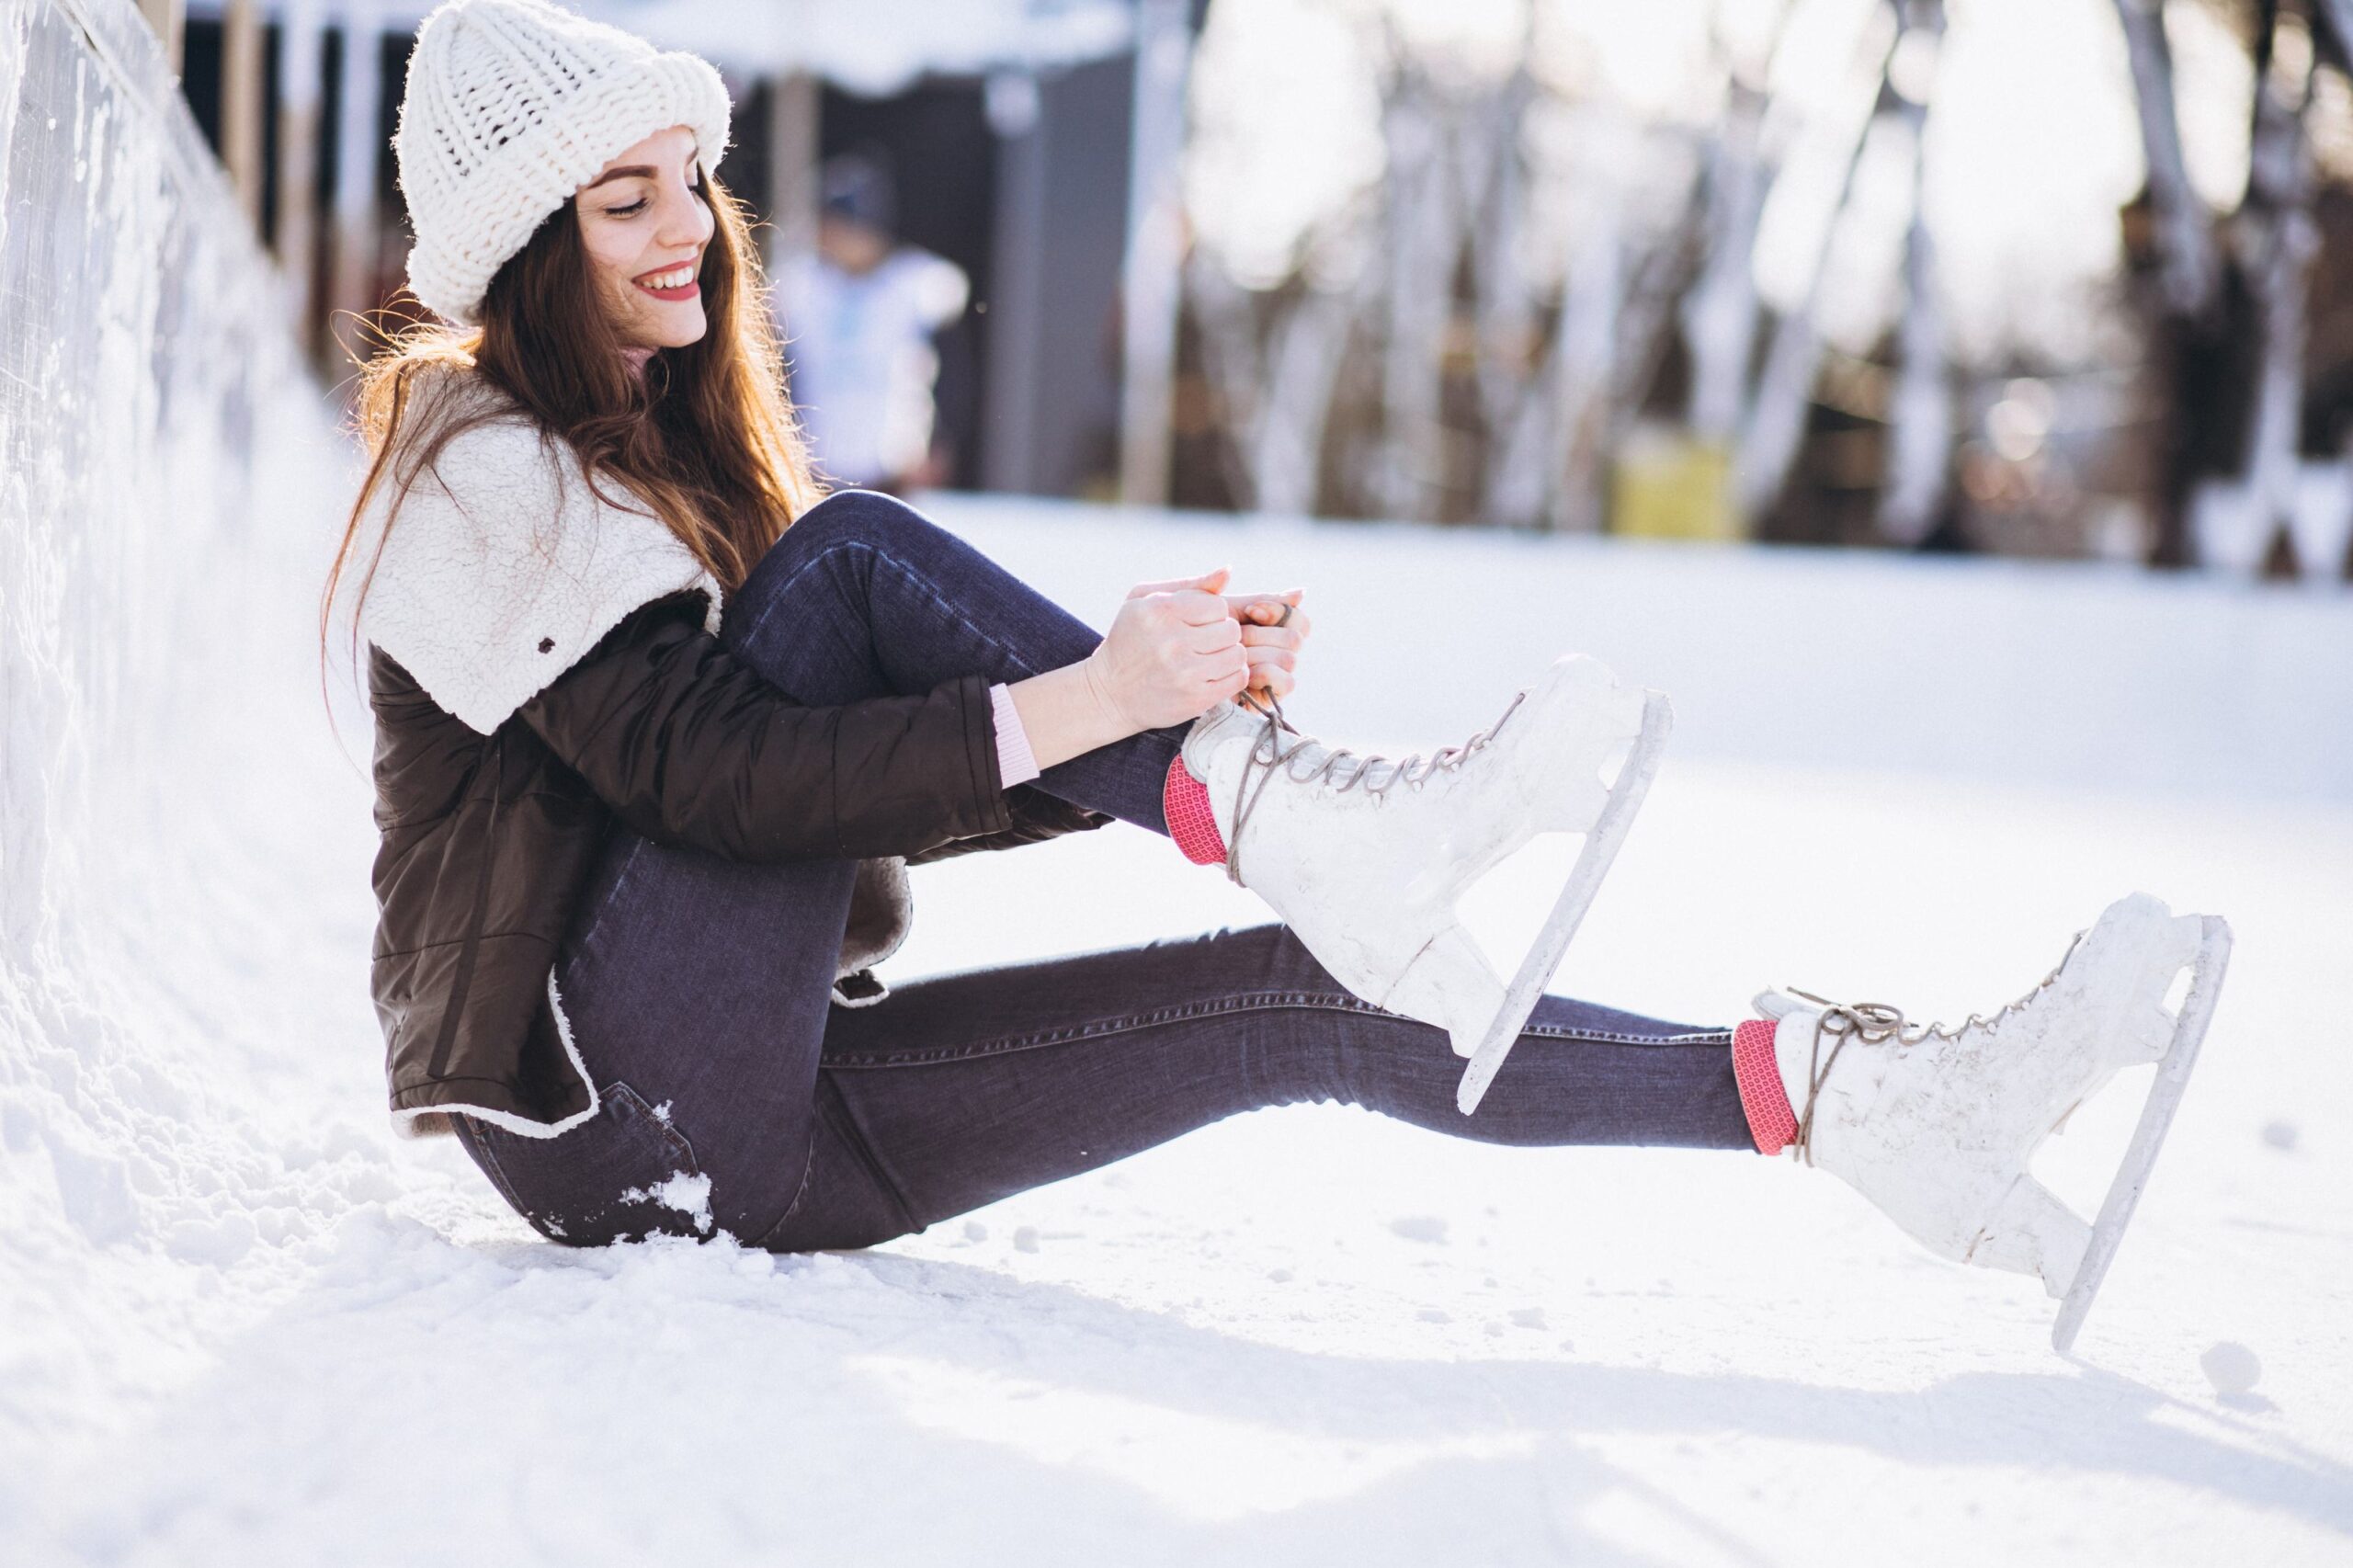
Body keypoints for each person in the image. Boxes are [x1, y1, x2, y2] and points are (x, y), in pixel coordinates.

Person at [327, 0, 2227, 1352]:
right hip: (604, 1118)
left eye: (688, 182)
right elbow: (712, 781)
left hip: (747, 1120)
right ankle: (1271, 804)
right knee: (849, 560)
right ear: (528, 243)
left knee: (1315, 992)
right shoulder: (465, 459)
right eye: (623, 199)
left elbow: (843, 788)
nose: (687, 232)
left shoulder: (661, 462)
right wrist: (1118, 712)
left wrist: (1138, 706)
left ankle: (1854, 1106)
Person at [771, 149, 968, 493]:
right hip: (814, 469)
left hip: (893, 470)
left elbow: (953, 376)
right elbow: (776, 372)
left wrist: (941, 443)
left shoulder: (919, 284)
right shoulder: (798, 286)